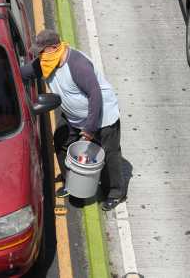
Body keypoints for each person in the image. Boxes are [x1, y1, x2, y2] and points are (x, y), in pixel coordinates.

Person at [21, 29, 126, 211]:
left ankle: (115, 192)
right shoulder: (46, 63)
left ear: (54, 48)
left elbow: (95, 95)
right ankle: (71, 182)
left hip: (101, 116)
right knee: (61, 141)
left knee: (109, 155)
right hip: (73, 117)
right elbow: (25, 72)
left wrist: (89, 130)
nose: (38, 56)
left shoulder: (77, 65)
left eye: (41, 51)